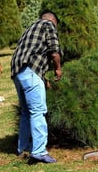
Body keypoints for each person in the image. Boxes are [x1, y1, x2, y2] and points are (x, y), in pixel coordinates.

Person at [11, 10, 63, 164]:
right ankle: (39, 151)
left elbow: (32, 55)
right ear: (53, 20)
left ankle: (23, 148)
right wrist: (58, 68)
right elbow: (54, 51)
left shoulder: (30, 28)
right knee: (38, 111)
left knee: (26, 112)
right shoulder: (49, 25)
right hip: (29, 73)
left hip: (17, 72)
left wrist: (42, 78)